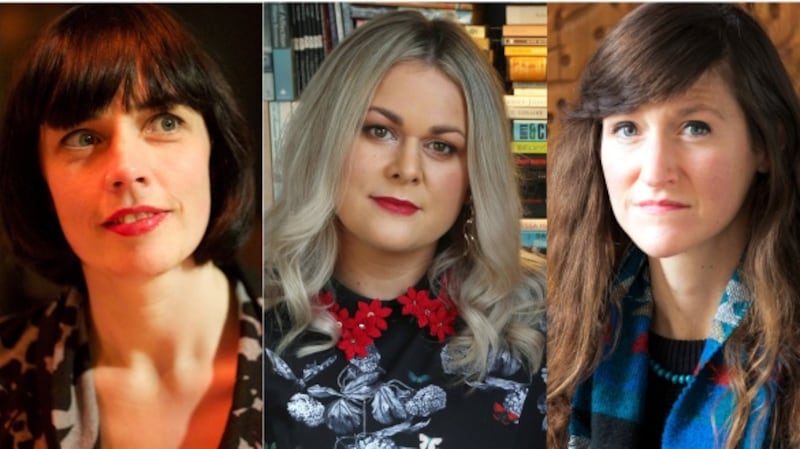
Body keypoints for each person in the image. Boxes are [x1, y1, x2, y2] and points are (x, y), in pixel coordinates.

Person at [264, 10, 547, 449]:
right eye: (379, 131)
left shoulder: (543, 325)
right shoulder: (249, 330)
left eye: (441, 146)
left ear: (474, 177)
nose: (407, 169)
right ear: (327, 140)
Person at [0, 5, 261, 448]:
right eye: (84, 138)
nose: (127, 169)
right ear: (39, 181)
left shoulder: (335, 365)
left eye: (165, 123)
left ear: (214, 153)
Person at [548, 3, 800, 448]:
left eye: (695, 127)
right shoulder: (564, 337)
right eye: (627, 128)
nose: (654, 171)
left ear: (766, 143)